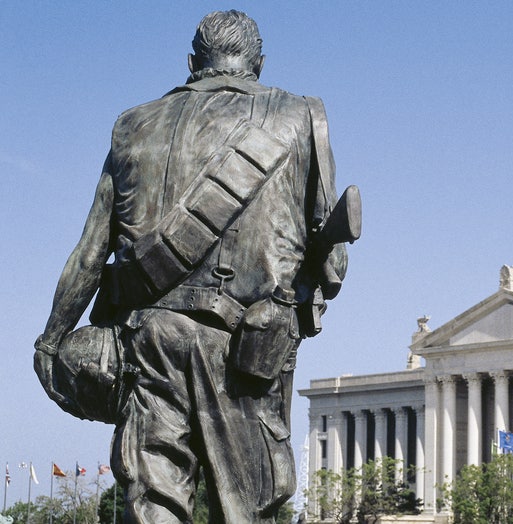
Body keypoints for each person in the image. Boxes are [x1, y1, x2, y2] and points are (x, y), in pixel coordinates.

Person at [34, 10, 351, 522]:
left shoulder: (132, 124)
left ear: (191, 63)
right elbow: (333, 265)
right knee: (251, 504)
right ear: (258, 63)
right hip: (250, 349)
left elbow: (90, 253)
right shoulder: (301, 116)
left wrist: (51, 339)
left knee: (152, 501)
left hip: (151, 340)